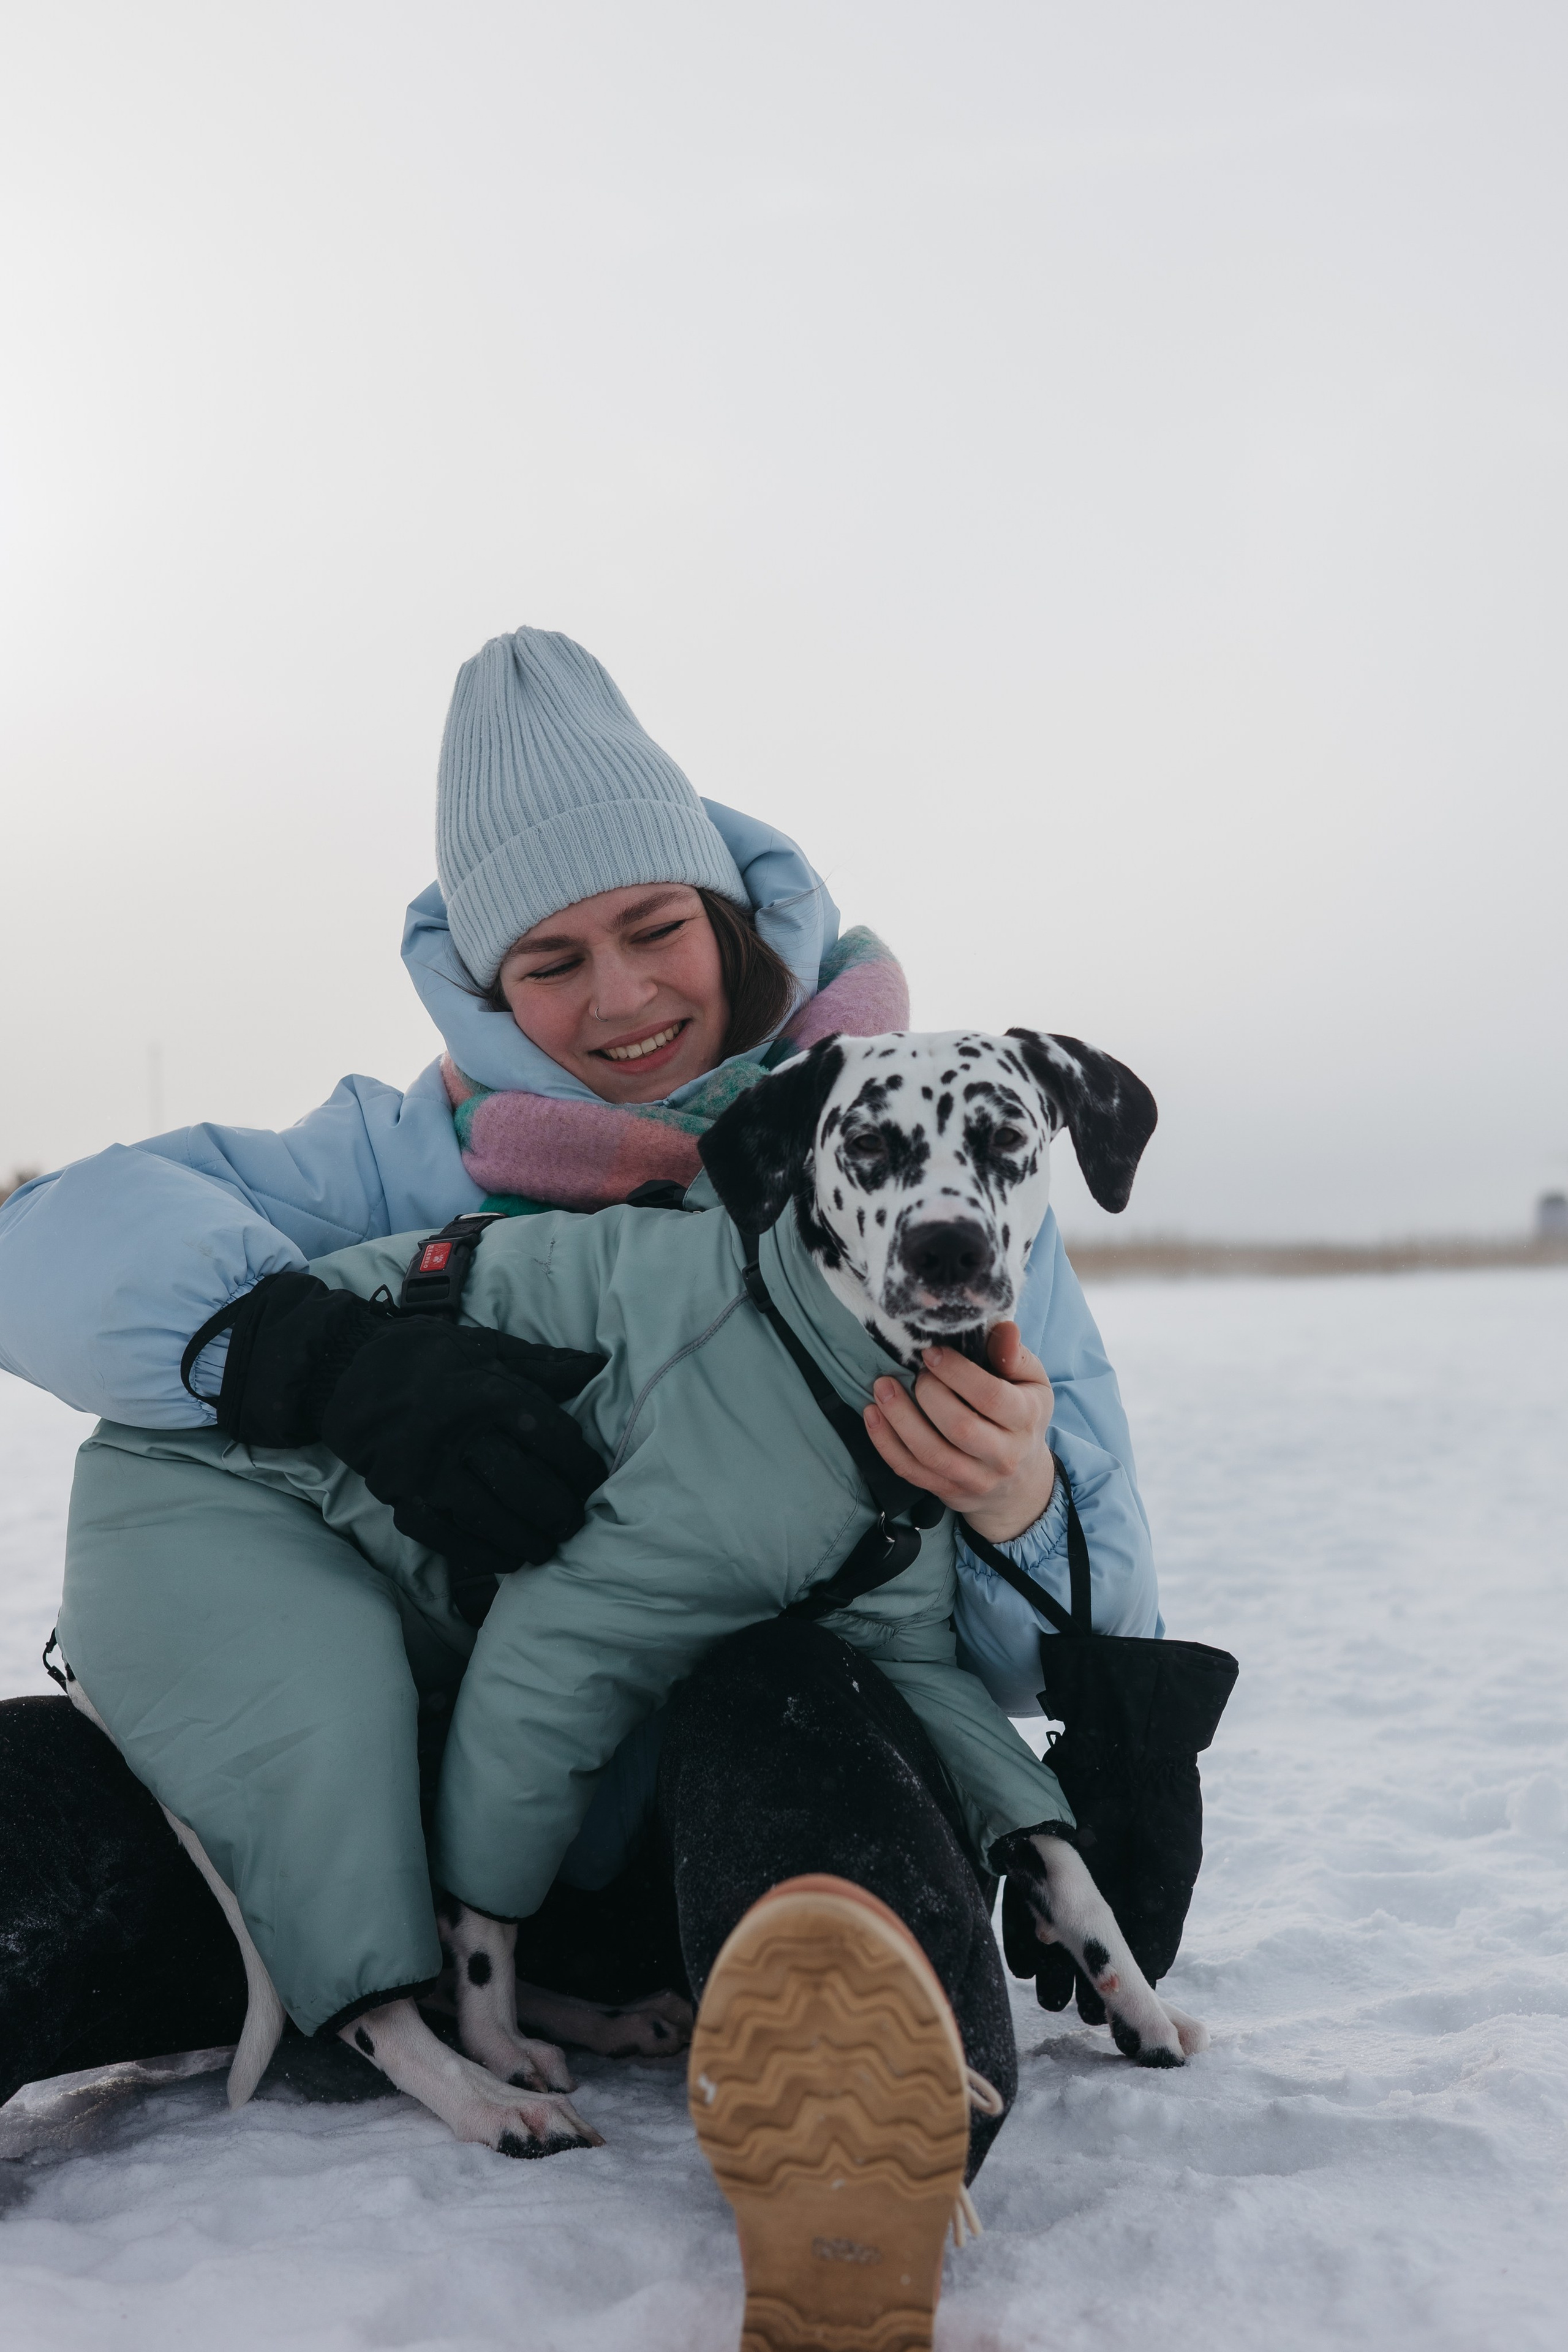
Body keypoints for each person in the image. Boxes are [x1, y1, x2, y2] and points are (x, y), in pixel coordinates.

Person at [0, 631, 1162, 2180]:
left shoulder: (942, 1168)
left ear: (728, 916)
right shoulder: (397, 1161)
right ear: (486, 989)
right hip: (397, 1813)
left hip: (717, 1834)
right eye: (549, 964)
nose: (621, 997)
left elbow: (1060, 1652)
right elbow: (38, 1241)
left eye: (653, 927)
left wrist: (1019, 1506)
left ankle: (854, 2130)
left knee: (791, 1693)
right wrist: (310, 1352)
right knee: (44, 1808)